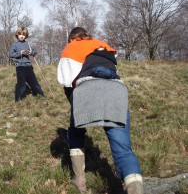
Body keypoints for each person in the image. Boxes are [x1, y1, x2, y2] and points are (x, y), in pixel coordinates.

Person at [57, 27, 143, 193]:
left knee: (75, 131)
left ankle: (79, 180)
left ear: (71, 38)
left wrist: (75, 105)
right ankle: (136, 190)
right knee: (123, 150)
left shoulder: (71, 47)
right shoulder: (102, 45)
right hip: (116, 91)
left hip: (86, 90)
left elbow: (66, 82)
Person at [8, 26, 44, 101]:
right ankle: (18, 100)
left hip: (28, 66)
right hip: (20, 67)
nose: (22, 36)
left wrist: (32, 52)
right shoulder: (15, 44)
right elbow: (10, 54)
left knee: (34, 83)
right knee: (21, 84)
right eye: (20, 34)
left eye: (23, 35)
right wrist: (20, 53)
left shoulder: (28, 44)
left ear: (26, 36)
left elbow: (34, 51)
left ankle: (40, 96)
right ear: (17, 35)